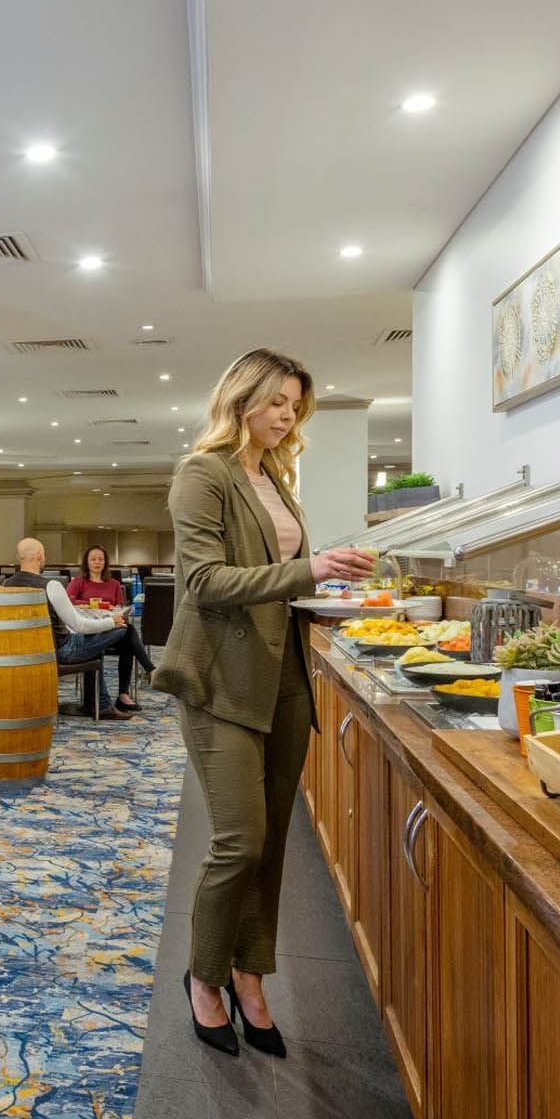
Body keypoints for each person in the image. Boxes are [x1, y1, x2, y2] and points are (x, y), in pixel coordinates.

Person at [152, 348, 376, 1057]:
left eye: (295, 405)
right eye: (277, 401)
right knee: (237, 840)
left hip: (284, 675)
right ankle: (205, 976)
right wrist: (309, 567)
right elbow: (206, 582)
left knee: (272, 842)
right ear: (242, 397)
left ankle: (252, 976)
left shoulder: (276, 476)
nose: (287, 415)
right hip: (220, 678)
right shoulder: (203, 473)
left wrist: (328, 590)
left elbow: (279, 579)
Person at [4, 537, 138, 721]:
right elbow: (79, 625)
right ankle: (102, 706)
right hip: (61, 650)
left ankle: (98, 705)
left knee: (93, 641)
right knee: (121, 629)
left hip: (25, 653)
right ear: (39, 556)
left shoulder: (5, 586)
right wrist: (112, 622)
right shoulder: (51, 586)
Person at [66, 544, 158, 709]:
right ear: (86, 562)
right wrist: (96, 605)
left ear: (105, 562)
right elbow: (69, 601)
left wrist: (117, 613)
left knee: (127, 636)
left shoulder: (114, 584)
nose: (97, 562)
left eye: (100, 559)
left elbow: (120, 608)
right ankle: (148, 671)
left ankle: (124, 693)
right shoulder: (79, 582)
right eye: (93, 559)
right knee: (129, 633)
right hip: (90, 635)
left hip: (112, 631)